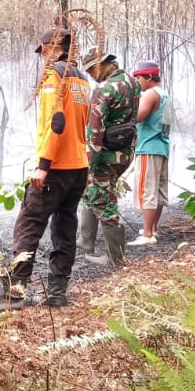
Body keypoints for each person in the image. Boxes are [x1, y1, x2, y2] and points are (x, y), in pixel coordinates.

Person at [0, 27, 90, 310]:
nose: (42, 58)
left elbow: (56, 122)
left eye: (42, 51)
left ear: (53, 47)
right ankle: (57, 294)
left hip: (55, 168)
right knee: (65, 227)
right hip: (78, 166)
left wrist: (43, 166)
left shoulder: (53, 76)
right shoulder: (83, 79)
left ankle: (15, 295)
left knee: (28, 226)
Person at [78, 48, 141, 267]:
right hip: (125, 152)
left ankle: (116, 258)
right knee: (95, 192)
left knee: (103, 201)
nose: (91, 75)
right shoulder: (133, 83)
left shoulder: (103, 90)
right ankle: (85, 242)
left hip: (104, 155)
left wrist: (88, 165)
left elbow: (95, 132)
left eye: (90, 71)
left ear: (99, 66)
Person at [128, 59, 171, 246]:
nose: (137, 82)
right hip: (162, 147)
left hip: (148, 147)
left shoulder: (150, 94)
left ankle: (147, 234)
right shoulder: (165, 95)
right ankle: (152, 228)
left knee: (147, 191)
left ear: (149, 76)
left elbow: (137, 117)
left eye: (139, 78)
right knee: (158, 191)